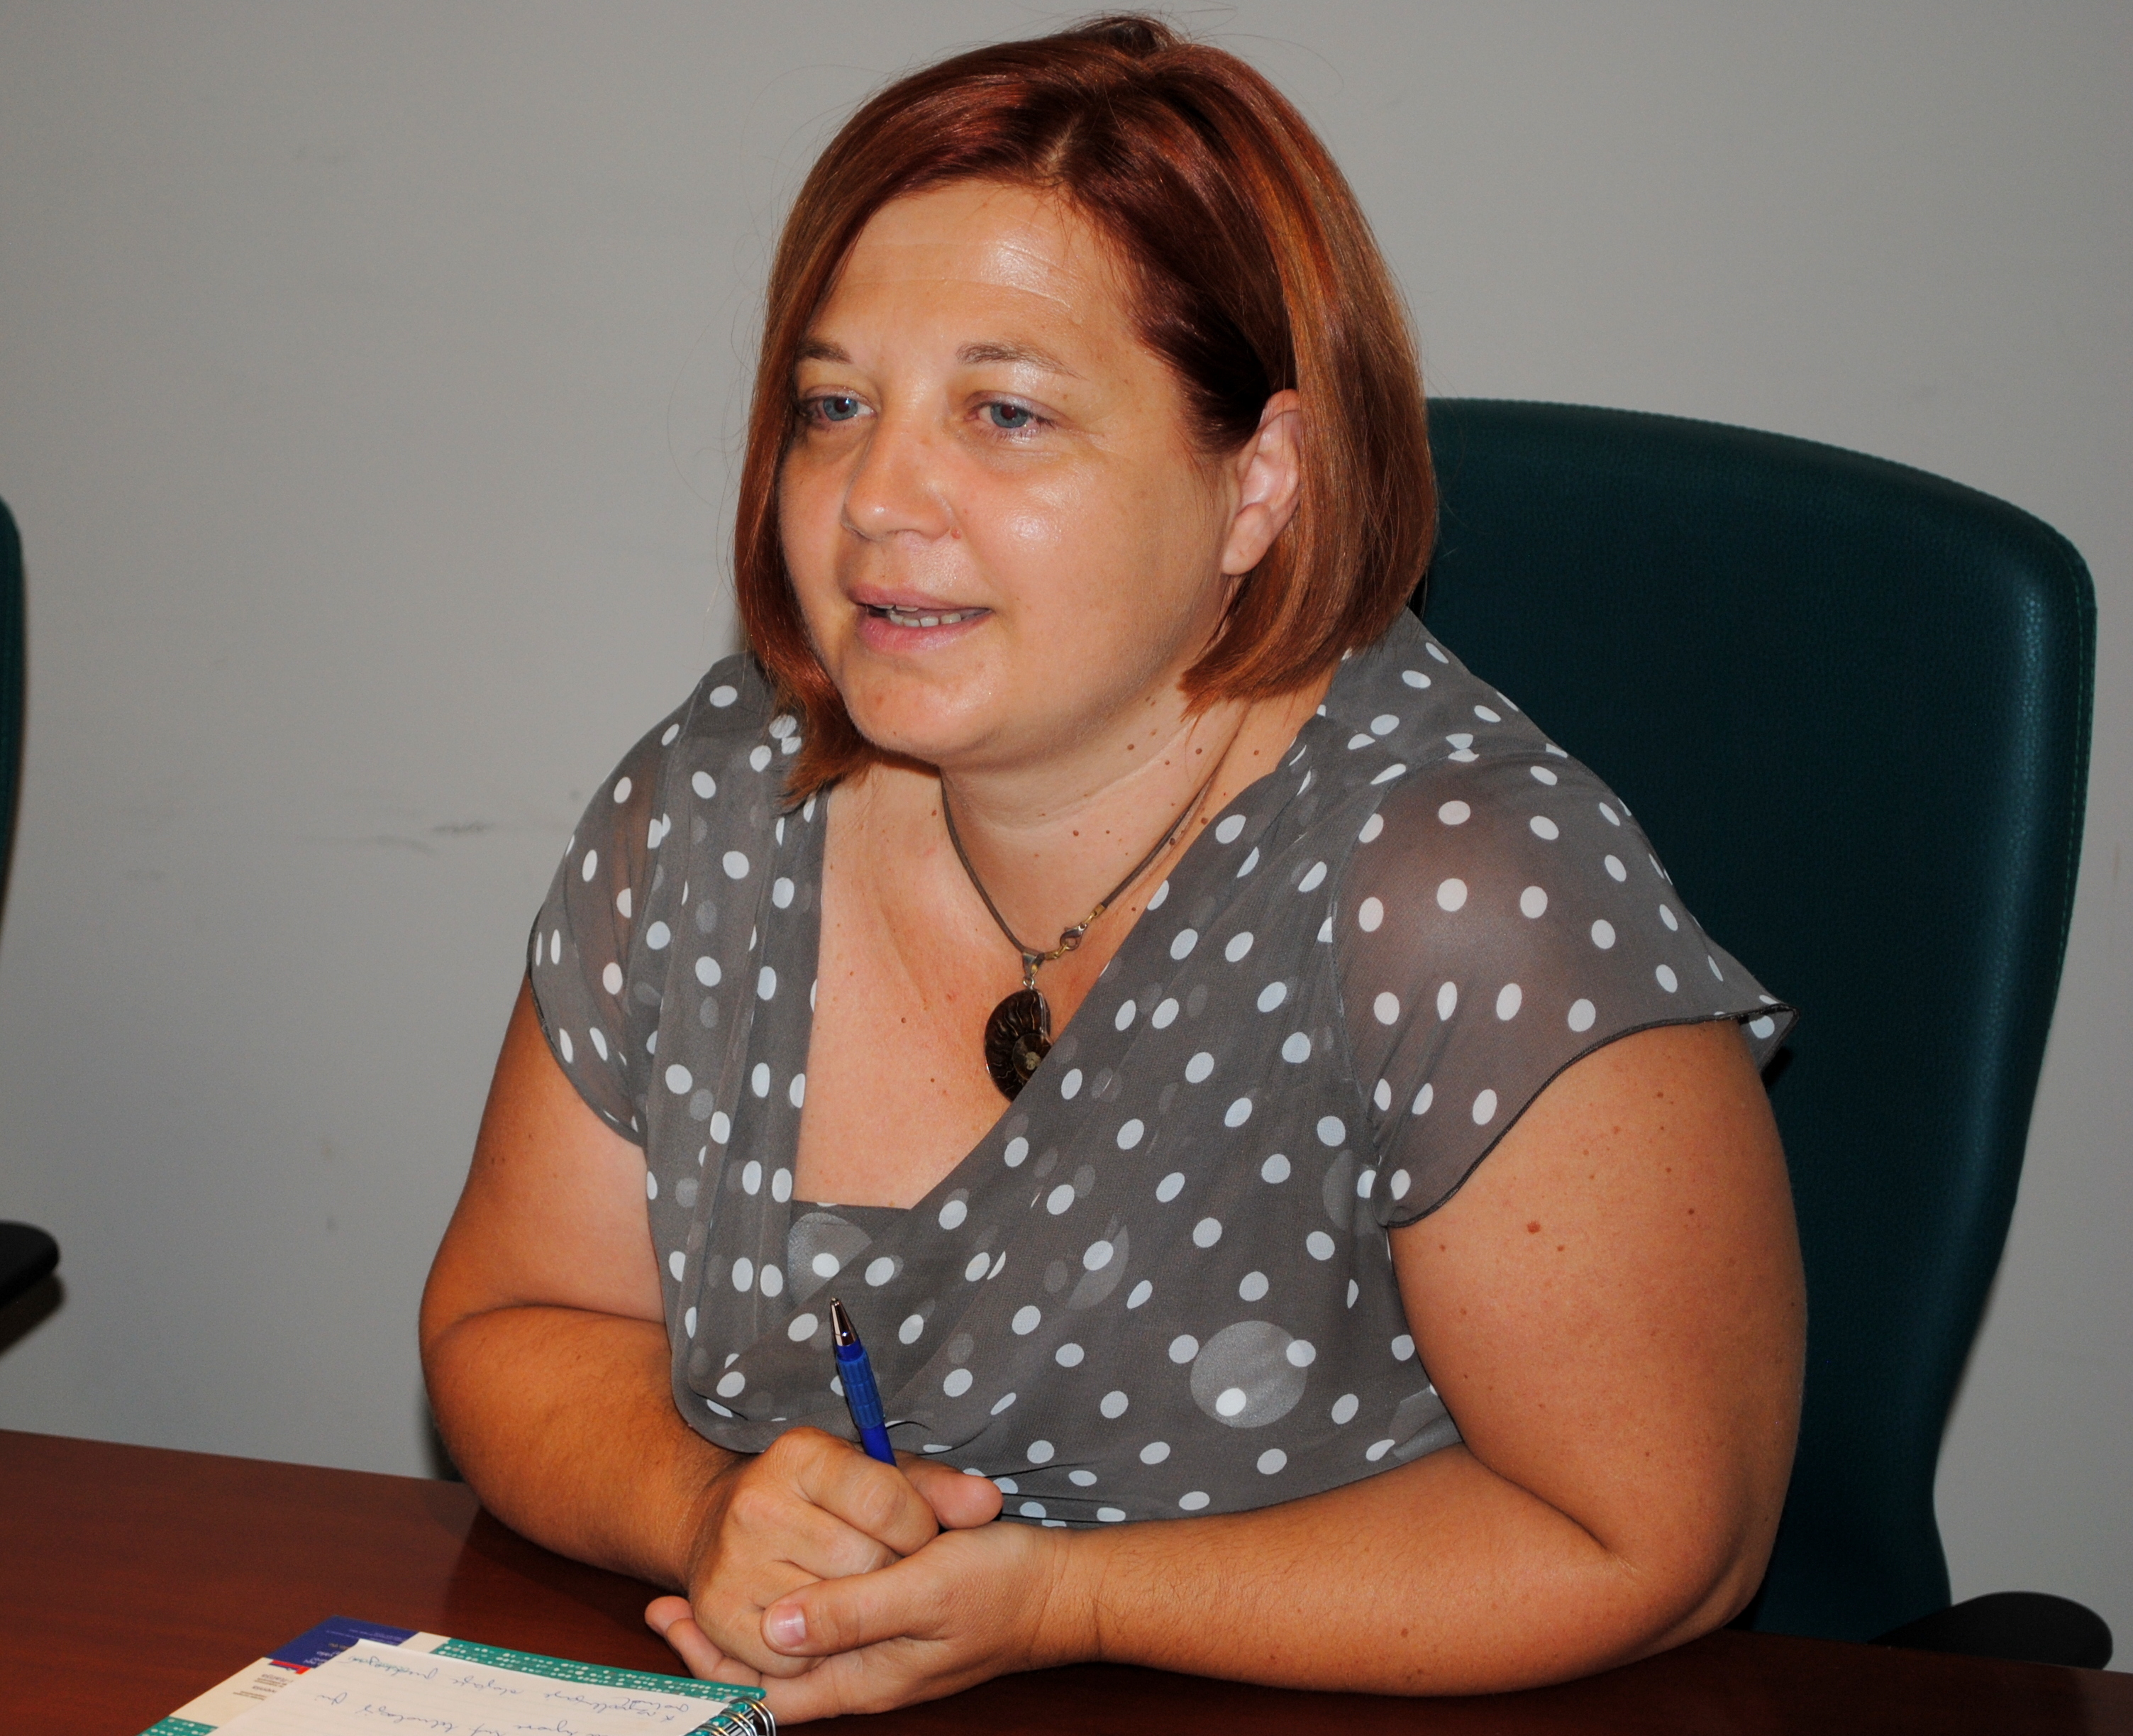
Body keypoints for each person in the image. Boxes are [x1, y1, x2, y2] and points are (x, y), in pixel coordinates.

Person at [420, 15, 1805, 1723]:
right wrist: (712, 1510)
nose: (874, 499)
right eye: (835, 405)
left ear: (1259, 482)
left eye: (1004, 413)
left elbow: (1643, 1536)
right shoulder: (718, 804)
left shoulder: (1456, 895)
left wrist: (1060, 1601)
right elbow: (515, 1323)